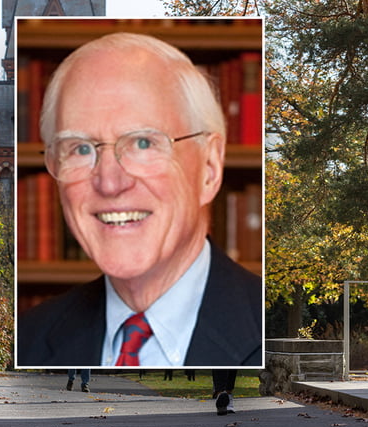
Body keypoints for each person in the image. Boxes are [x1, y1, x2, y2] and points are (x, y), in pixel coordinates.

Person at [16, 31, 262, 367]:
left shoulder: (276, 333)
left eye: (143, 143)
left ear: (208, 167)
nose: (109, 182)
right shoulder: (27, 340)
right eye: (80, 148)